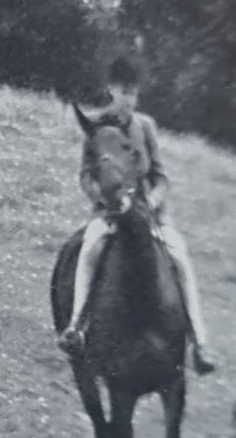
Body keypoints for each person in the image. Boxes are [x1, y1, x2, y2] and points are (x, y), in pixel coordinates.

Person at [58, 57, 216, 375]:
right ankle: (77, 326)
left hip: (149, 215)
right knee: (89, 248)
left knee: (180, 256)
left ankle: (199, 341)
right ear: (110, 90)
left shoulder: (146, 127)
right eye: (122, 91)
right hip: (110, 214)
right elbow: (87, 175)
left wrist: (153, 203)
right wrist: (104, 198)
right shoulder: (97, 125)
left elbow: (161, 176)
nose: (128, 99)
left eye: (133, 93)